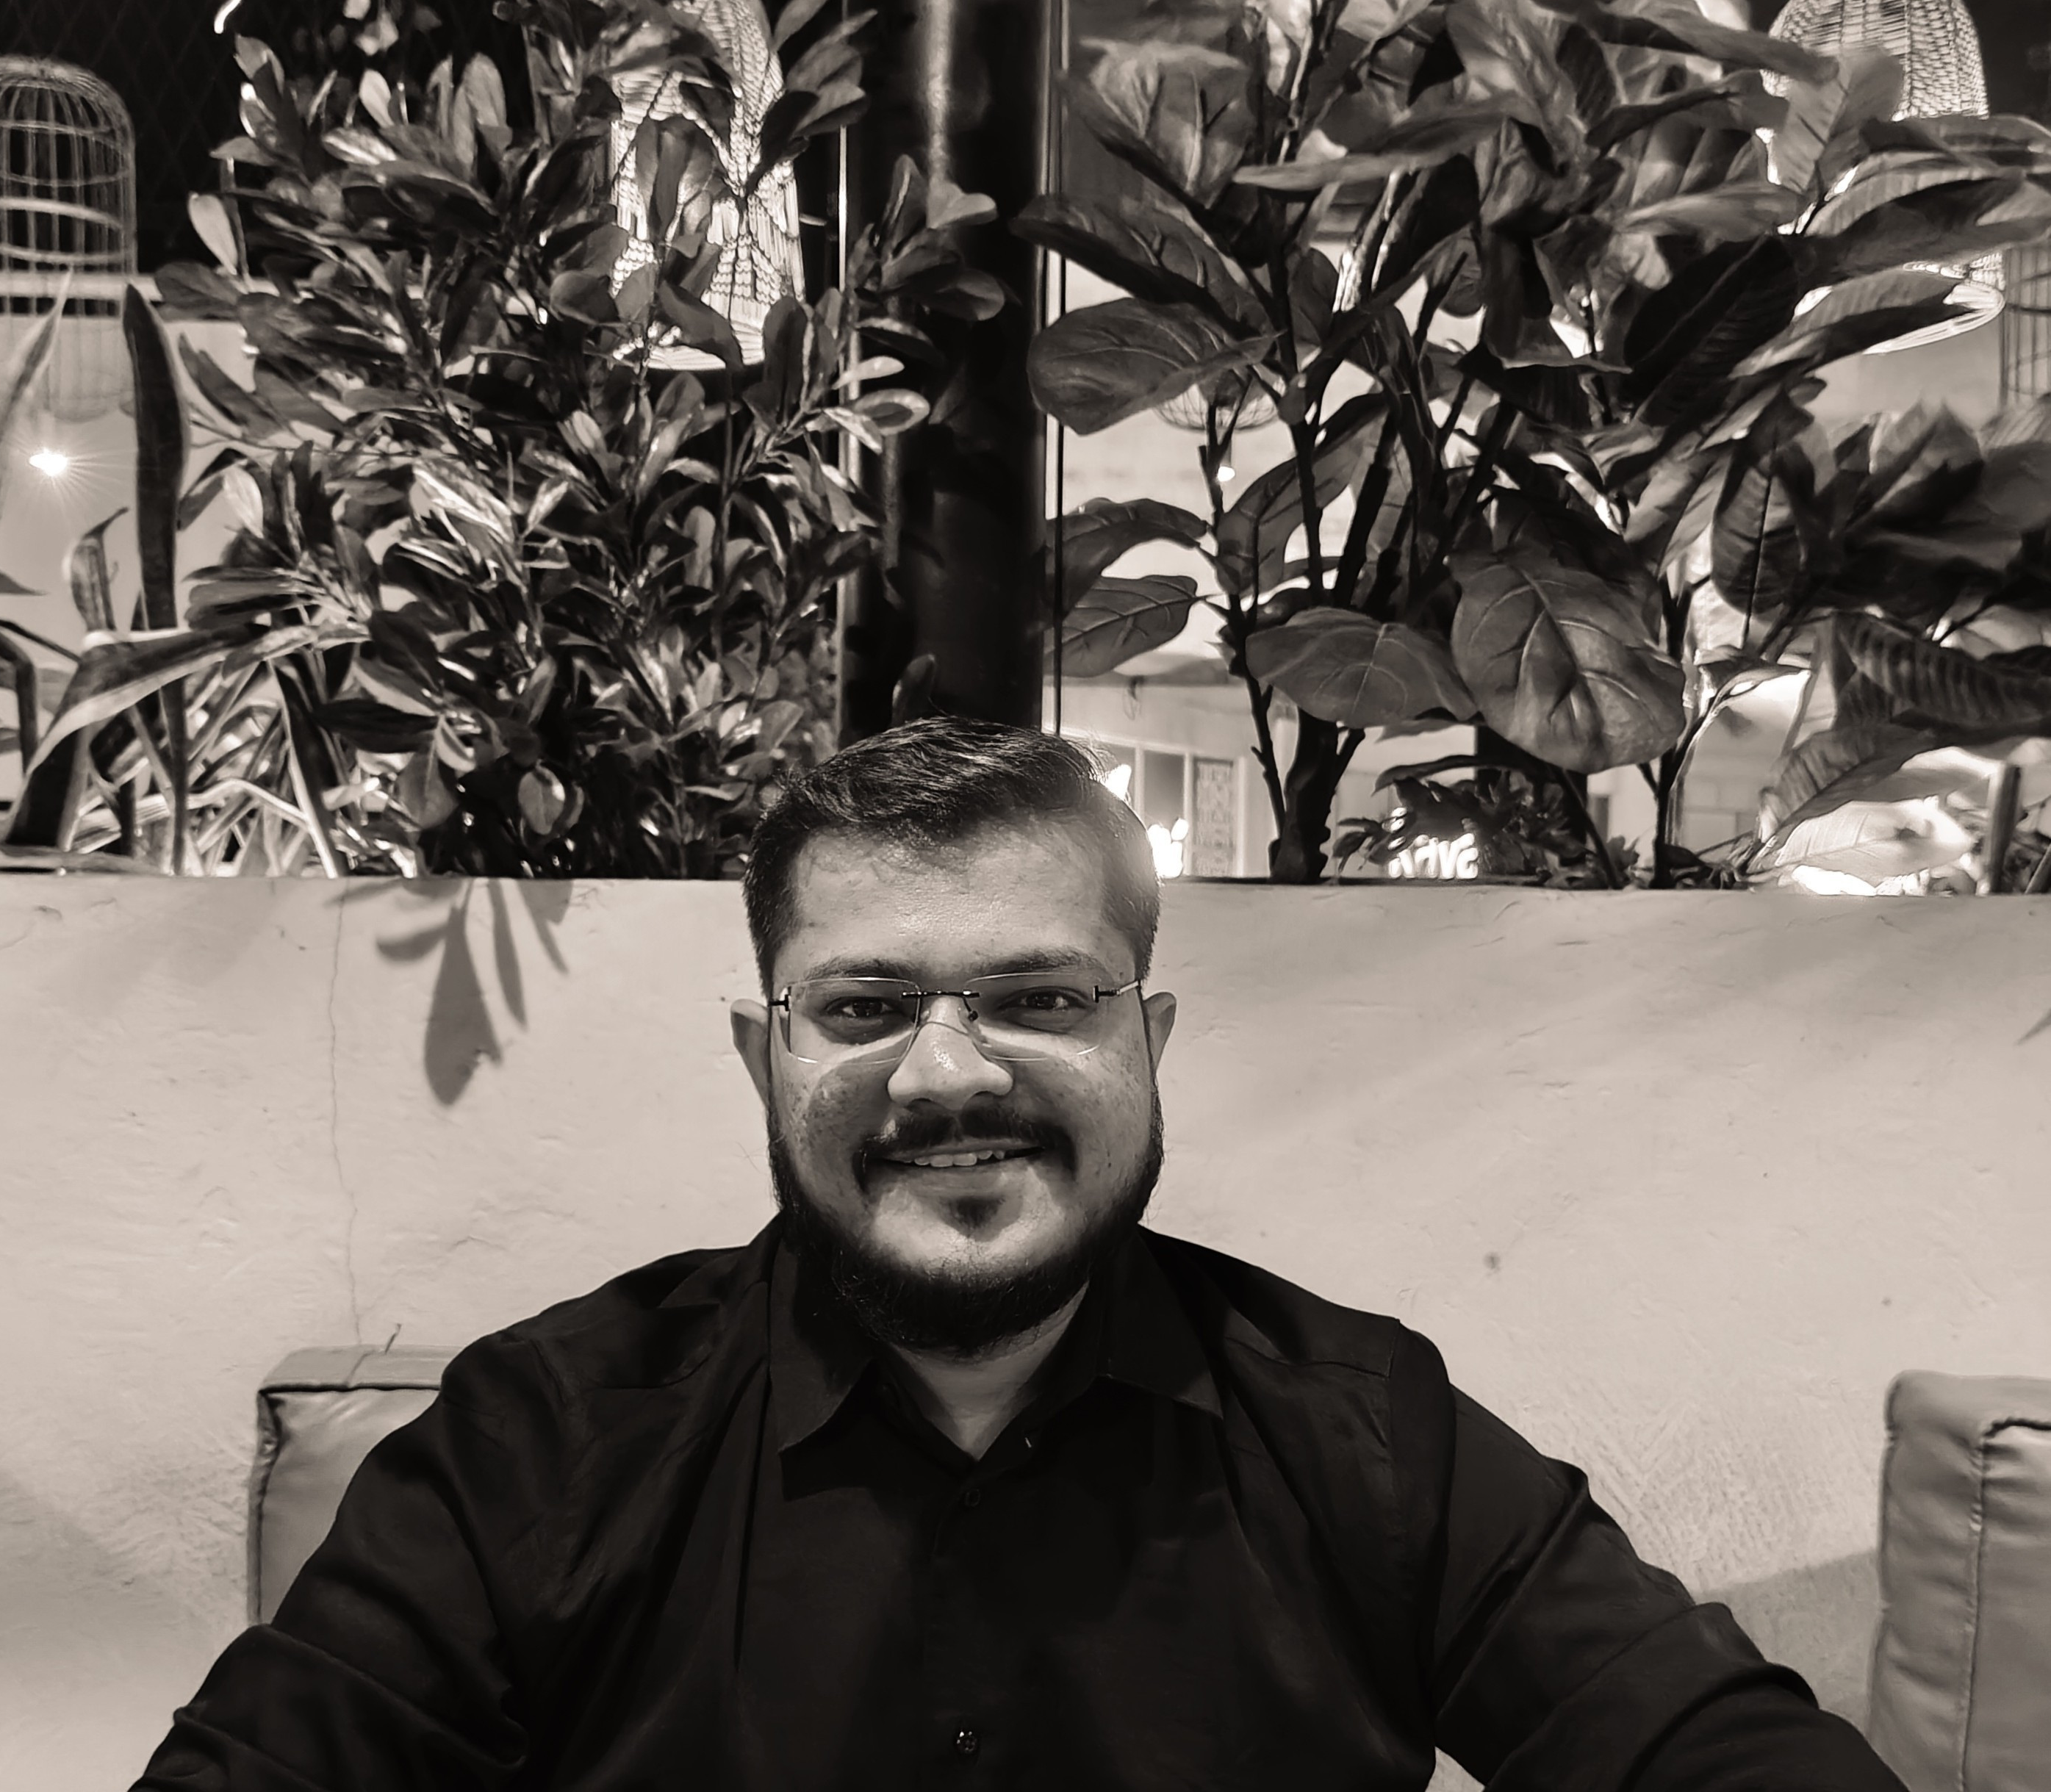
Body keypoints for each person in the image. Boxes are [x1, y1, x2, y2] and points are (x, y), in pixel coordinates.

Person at [132, 718, 1905, 1792]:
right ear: (764, 1059)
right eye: (865, 1006)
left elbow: (1707, 1749)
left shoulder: (1369, 1433)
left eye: (1043, 997)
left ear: (1150, 1039)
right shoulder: (542, 1441)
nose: (950, 1075)